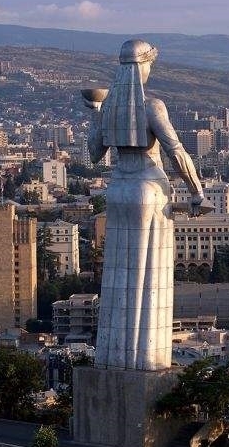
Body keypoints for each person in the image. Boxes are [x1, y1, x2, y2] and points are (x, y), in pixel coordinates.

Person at [89, 39, 204, 371]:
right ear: (144, 67)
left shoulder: (109, 107)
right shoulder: (153, 107)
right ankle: (147, 360)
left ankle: (114, 357)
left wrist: (96, 115)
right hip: (148, 190)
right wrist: (196, 192)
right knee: (149, 274)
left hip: (118, 191)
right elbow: (177, 151)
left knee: (119, 274)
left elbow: (94, 155)